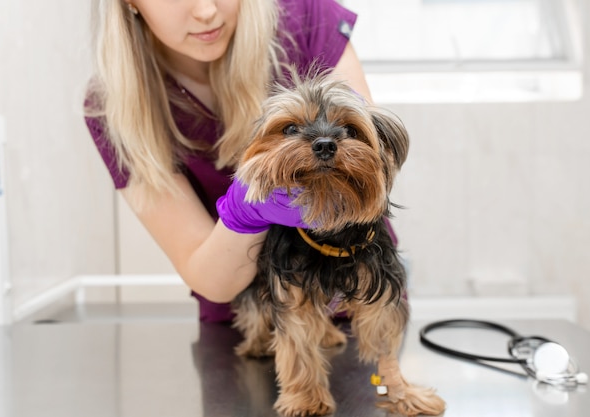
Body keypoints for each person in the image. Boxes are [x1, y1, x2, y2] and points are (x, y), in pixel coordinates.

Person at [84, 0, 374, 322]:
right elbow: (215, 284)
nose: (206, 11)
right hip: (248, 322)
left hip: (360, 298)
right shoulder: (114, 109)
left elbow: (373, 159)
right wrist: (244, 214)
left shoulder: (304, 13)